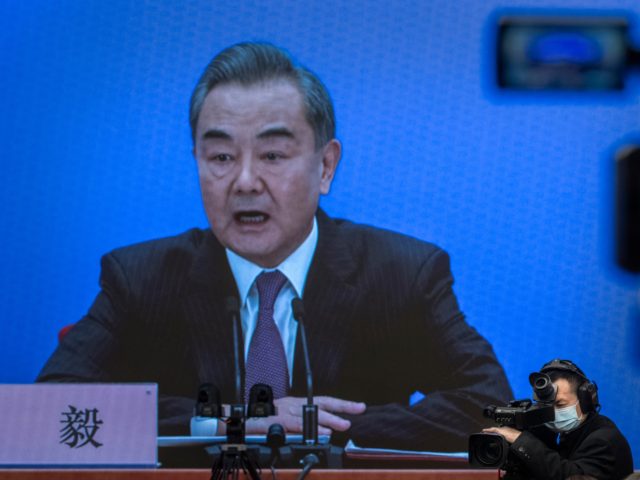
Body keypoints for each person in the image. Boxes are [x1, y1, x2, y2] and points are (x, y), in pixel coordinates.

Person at [37, 42, 512, 451]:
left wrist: (318, 428)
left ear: (325, 167)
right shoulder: (141, 278)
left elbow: (494, 409)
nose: (244, 182)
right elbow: (47, 412)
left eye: (272, 156)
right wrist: (232, 422)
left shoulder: (401, 274)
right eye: (221, 156)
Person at [484, 359, 633, 479]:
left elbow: (571, 476)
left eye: (560, 404)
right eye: (546, 405)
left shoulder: (604, 440)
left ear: (585, 400)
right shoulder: (555, 432)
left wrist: (520, 440)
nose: (552, 412)